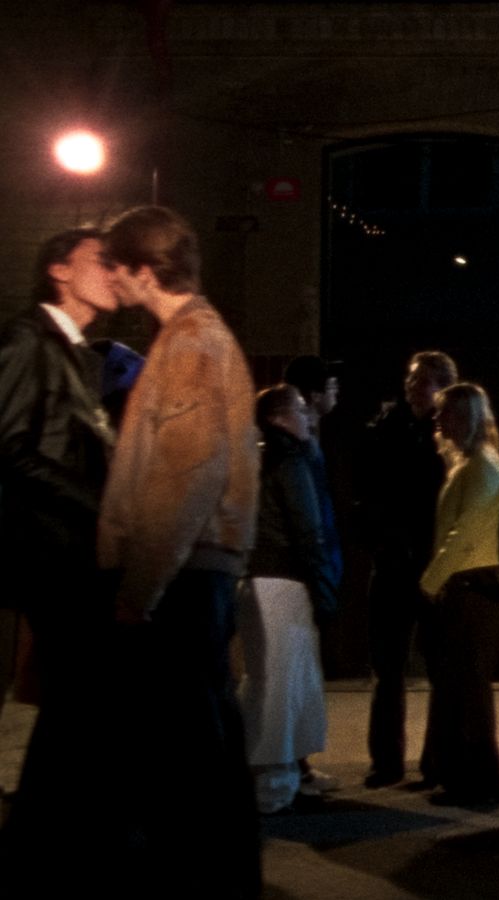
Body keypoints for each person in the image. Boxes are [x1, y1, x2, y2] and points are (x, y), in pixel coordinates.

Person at [96, 205, 262, 896]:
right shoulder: (194, 338)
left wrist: (139, 587)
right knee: (203, 743)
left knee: (191, 750)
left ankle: (205, 879)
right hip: (193, 572)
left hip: (185, 576)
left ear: (140, 270)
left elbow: (184, 476)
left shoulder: (192, 342)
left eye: (115, 266)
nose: (111, 280)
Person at [0, 227, 118, 884]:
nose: (114, 271)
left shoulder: (77, 353)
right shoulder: (28, 341)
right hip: (50, 552)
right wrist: (101, 504)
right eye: (101, 260)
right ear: (58, 271)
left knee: (74, 704)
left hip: (73, 552)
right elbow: (11, 448)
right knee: (77, 699)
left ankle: (46, 844)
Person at [355, 350, 456, 788]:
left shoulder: (451, 436)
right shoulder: (384, 429)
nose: (414, 389)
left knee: (439, 667)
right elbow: (365, 491)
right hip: (394, 562)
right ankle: (386, 761)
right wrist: (379, 540)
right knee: (388, 668)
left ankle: (436, 761)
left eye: (424, 382)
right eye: (412, 380)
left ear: (443, 388)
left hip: (433, 564)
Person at [239, 385, 339, 814]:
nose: (307, 417)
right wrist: (324, 587)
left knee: (267, 676)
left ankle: (278, 773)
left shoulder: (252, 456)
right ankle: (273, 783)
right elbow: (307, 528)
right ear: (281, 415)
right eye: (300, 409)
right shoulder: (289, 459)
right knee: (282, 682)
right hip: (284, 579)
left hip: (254, 577)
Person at [417, 383, 499, 804]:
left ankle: (477, 778)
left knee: (468, 685)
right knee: (460, 684)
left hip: (472, 585)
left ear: (465, 417)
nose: (437, 421)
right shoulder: (470, 463)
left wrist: (430, 581)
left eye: (445, 414)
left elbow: (464, 534)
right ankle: (460, 773)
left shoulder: (481, 467)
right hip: (466, 584)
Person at [281, 353, 343, 796]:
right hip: (293, 576)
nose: (337, 395)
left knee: (298, 675)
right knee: (286, 676)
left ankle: (298, 765)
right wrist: (321, 573)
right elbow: (307, 519)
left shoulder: (308, 439)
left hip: (305, 571)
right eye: (333, 387)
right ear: (314, 394)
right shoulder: (294, 447)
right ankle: (288, 769)